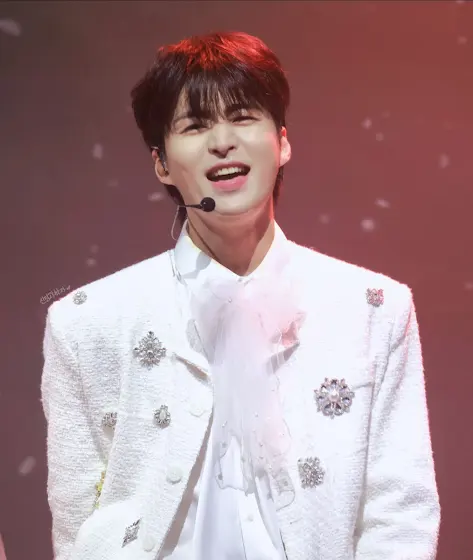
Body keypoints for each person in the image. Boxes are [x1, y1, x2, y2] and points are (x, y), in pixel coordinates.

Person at [41, 31, 441, 560]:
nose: (222, 141)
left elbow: (401, 513)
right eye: (195, 125)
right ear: (162, 163)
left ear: (282, 142)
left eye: (243, 116)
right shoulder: (87, 323)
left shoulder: (373, 310)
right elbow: (77, 524)